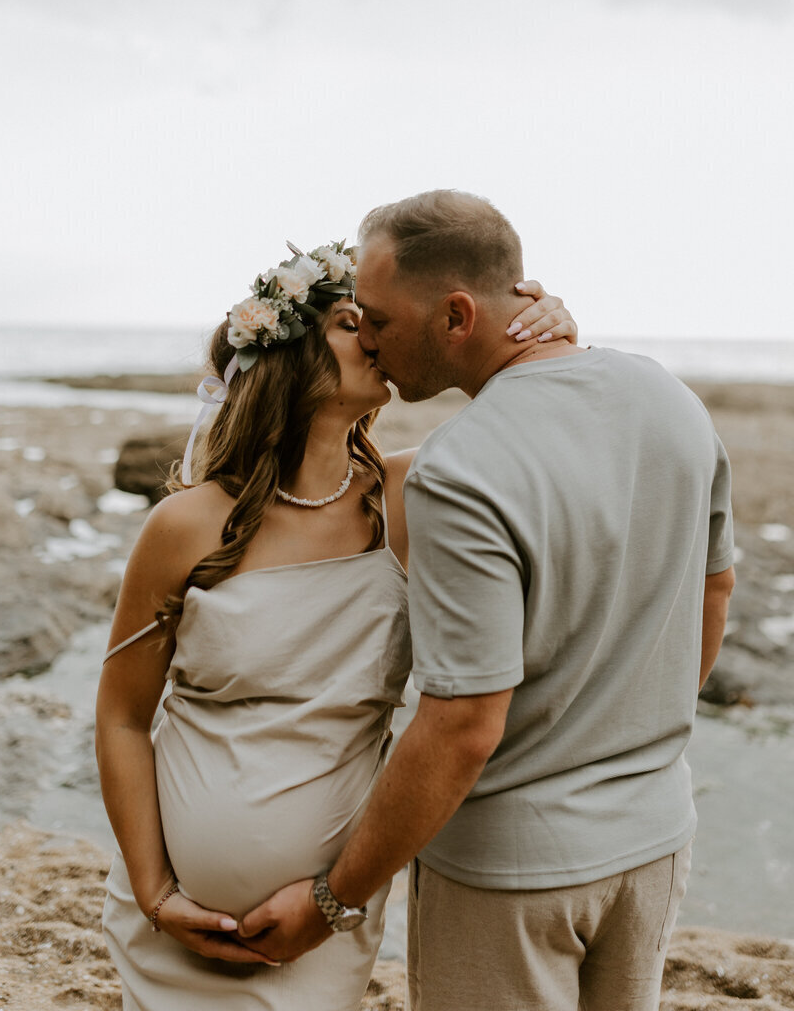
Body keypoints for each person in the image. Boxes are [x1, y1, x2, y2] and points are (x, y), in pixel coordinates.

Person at [238, 191, 736, 1011]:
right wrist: (625, 739)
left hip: (512, 879)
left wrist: (332, 902)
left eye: (381, 321)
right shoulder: (669, 397)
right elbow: (713, 589)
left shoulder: (460, 469)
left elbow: (462, 724)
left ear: (457, 316)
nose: (368, 339)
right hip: (655, 841)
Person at [95, 236, 576, 1011]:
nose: (381, 338)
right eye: (355, 323)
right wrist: (153, 892)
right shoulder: (186, 525)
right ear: (284, 356)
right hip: (169, 924)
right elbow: (121, 716)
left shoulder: (413, 496)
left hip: (320, 927)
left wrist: (548, 327)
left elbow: (547, 418)